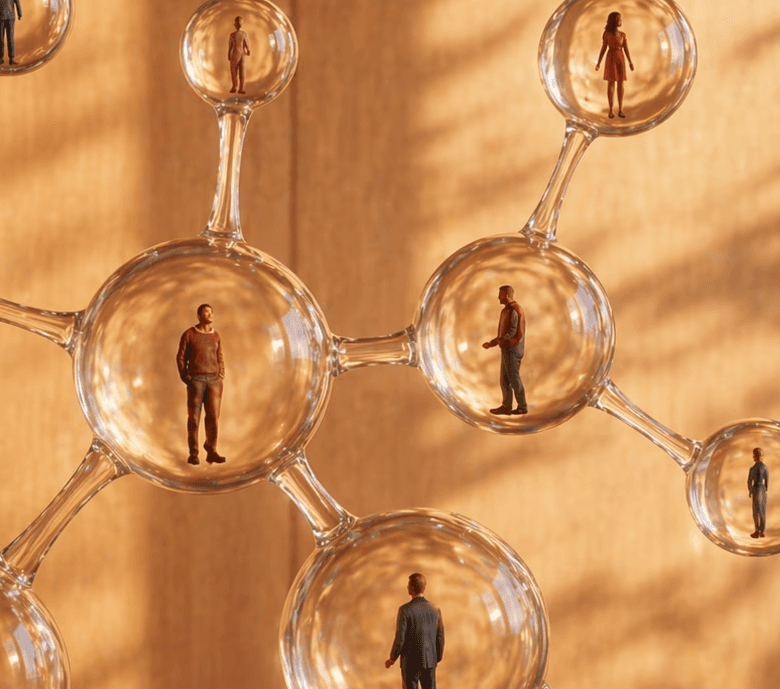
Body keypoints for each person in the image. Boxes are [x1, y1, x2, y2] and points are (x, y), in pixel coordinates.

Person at [176, 304, 225, 465]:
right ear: (199, 316)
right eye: (206, 312)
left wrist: (221, 374)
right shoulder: (189, 334)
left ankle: (211, 450)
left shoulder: (216, 335)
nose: (210, 315)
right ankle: (193, 453)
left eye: (211, 312)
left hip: (214, 381)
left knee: (213, 418)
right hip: (196, 380)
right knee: (194, 418)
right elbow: (181, 356)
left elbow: (219, 356)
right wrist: (185, 376)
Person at [386, 573, 445, 689]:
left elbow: (400, 638)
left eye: (408, 585)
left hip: (410, 663)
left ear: (412, 588)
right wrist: (436, 657)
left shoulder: (405, 610)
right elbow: (440, 637)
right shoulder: (435, 609)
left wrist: (392, 658)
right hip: (430, 661)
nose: (407, 587)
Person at [482, 285, 528, 415]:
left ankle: (522, 407)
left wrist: (494, 342)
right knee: (504, 380)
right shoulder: (506, 310)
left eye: (501, 295)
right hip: (507, 348)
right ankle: (506, 406)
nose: (498, 297)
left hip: (513, 349)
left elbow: (511, 332)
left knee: (514, 379)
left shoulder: (514, 310)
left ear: (507, 295)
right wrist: (495, 343)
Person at [595, 11, 634, 119]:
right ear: (615, 20)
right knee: (611, 84)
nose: (621, 21)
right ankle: (611, 110)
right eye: (620, 19)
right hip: (611, 58)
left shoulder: (622, 35)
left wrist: (630, 62)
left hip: (620, 59)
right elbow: (603, 49)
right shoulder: (607, 34)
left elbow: (626, 49)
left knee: (621, 85)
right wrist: (598, 62)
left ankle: (620, 109)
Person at [747, 447, 768, 538]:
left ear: (755, 457)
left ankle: (757, 531)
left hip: (756, 489)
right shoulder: (765, 467)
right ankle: (761, 531)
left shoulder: (752, 468)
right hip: (762, 489)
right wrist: (765, 490)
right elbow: (766, 481)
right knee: (762, 511)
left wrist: (750, 490)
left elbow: (749, 481)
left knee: (756, 511)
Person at [228, 16, 250, 94]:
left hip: (241, 54)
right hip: (235, 53)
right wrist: (229, 54)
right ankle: (234, 87)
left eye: (240, 22)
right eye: (237, 22)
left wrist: (248, 50)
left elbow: (246, 43)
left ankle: (241, 88)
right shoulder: (232, 35)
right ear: (235, 24)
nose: (238, 24)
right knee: (234, 71)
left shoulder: (244, 34)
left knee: (242, 71)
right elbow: (230, 46)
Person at [0, 0, 22, 66]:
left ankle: (10, 59)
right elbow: (17, 2)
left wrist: (20, 13)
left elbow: (17, 2)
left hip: (8, 17)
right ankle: (2, 58)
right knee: (3, 39)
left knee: (9, 39)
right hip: (6, 16)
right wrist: (19, 13)